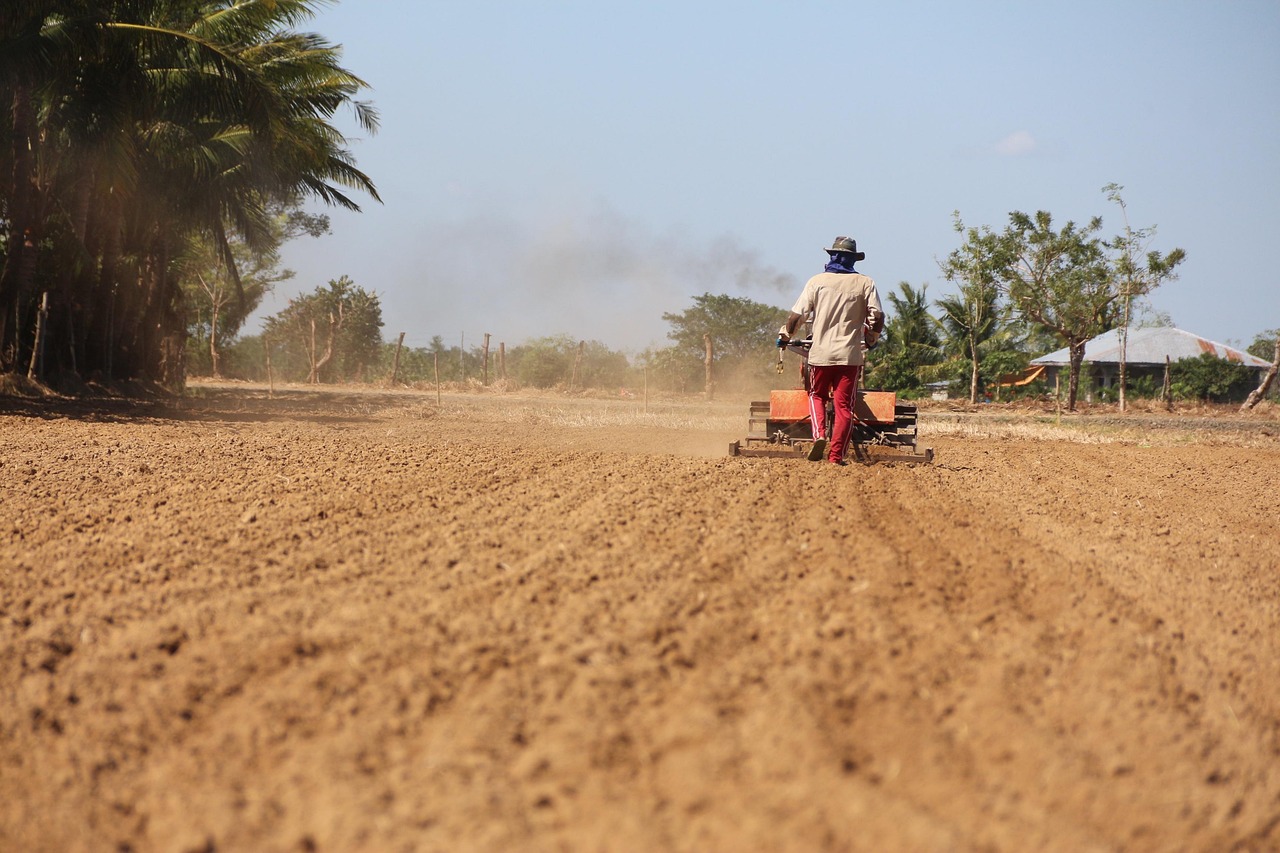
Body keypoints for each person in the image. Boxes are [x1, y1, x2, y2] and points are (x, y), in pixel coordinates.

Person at [780, 236, 884, 465]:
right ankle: (836, 457)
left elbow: (797, 316)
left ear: (831, 256)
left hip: (820, 356)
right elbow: (876, 317)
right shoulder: (865, 283)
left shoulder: (816, 281)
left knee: (816, 395)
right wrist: (872, 338)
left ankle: (819, 436)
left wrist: (785, 336)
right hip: (850, 356)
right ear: (854, 260)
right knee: (844, 406)